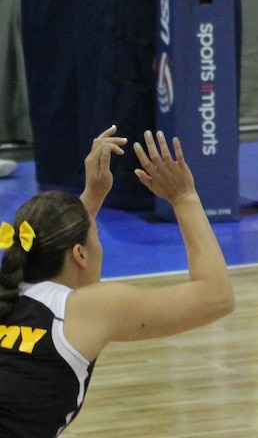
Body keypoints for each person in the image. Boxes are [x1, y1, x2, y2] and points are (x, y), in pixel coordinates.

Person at [0, 127, 234, 437]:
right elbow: (217, 297)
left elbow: (56, 240)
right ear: (80, 255)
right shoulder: (86, 309)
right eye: (96, 235)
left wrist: (93, 194)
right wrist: (184, 197)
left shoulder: (9, 290)